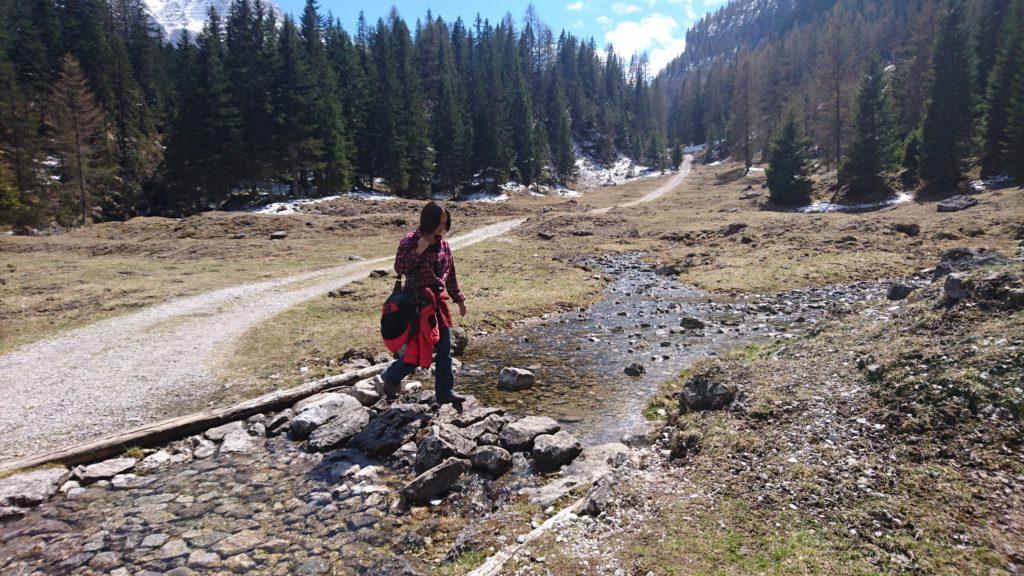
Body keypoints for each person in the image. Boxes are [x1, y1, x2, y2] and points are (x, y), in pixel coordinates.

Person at [381, 201, 467, 406]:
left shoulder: (444, 244)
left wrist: (459, 299)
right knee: (417, 351)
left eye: (445, 224)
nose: (441, 228)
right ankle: (392, 377)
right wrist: (418, 250)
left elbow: (450, 276)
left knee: (445, 348)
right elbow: (400, 267)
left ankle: (445, 393)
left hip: (438, 305)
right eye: (439, 223)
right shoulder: (411, 240)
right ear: (428, 221)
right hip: (416, 306)